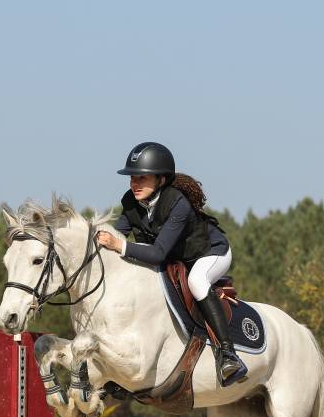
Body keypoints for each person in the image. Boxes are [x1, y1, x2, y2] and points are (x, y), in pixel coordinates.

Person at [96, 142, 248, 387]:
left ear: (161, 179)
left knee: (197, 282)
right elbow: (117, 234)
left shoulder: (178, 203)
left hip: (209, 254)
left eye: (142, 178)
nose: (134, 184)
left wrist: (119, 245)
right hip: (174, 258)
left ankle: (228, 354)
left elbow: (156, 253)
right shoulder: (131, 201)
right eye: (132, 178)